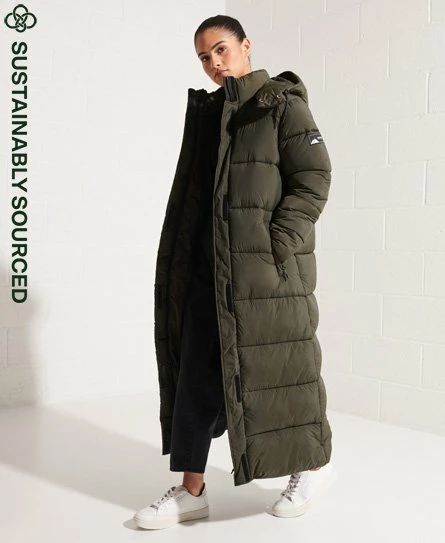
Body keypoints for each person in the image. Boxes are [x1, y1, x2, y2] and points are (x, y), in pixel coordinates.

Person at [134, 15, 337, 531]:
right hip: (208, 272)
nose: (214, 63)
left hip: (266, 274)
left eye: (221, 49)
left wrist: (276, 245)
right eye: (204, 57)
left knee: (283, 372)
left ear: (246, 45)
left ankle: (311, 468)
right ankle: (191, 490)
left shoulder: (280, 104)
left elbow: (314, 178)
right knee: (195, 376)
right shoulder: (210, 113)